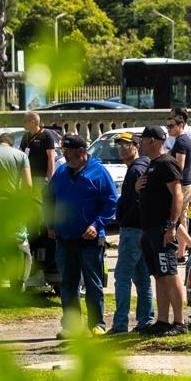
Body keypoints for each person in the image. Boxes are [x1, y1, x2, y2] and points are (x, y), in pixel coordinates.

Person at [49, 134, 118, 336]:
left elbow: (111, 202)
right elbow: (49, 199)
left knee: (93, 283)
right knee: (68, 284)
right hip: (64, 239)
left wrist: (97, 225)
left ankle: (97, 324)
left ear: (81, 152)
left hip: (90, 240)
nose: (64, 156)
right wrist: (50, 224)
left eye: (68, 152)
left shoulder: (99, 172)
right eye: (63, 151)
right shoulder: (61, 171)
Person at [136, 125, 188, 335]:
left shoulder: (167, 163)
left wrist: (171, 226)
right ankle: (162, 320)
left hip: (162, 229)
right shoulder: (152, 165)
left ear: (152, 141)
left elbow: (178, 195)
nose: (140, 144)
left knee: (169, 274)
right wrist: (137, 188)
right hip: (149, 229)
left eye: (143, 139)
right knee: (159, 275)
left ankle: (180, 322)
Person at [109, 133, 154, 334]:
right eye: (119, 145)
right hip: (140, 230)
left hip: (133, 230)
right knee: (142, 278)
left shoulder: (136, 169)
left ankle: (120, 325)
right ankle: (145, 321)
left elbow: (140, 201)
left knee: (122, 277)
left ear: (136, 147)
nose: (122, 148)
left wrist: (124, 216)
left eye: (126, 145)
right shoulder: (139, 167)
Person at [20, 111, 59, 290]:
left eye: (25, 121)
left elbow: (51, 158)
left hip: (41, 178)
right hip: (28, 178)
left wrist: (50, 180)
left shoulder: (46, 136)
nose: (23, 124)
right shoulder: (26, 137)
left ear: (33, 122)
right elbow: (21, 155)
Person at [167, 107, 191, 203]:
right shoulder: (176, 136)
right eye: (167, 126)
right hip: (181, 181)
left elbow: (179, 166)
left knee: (180, 211)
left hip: (183, 181)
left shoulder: (187, 135)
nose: (168, 128)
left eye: (173, 116)